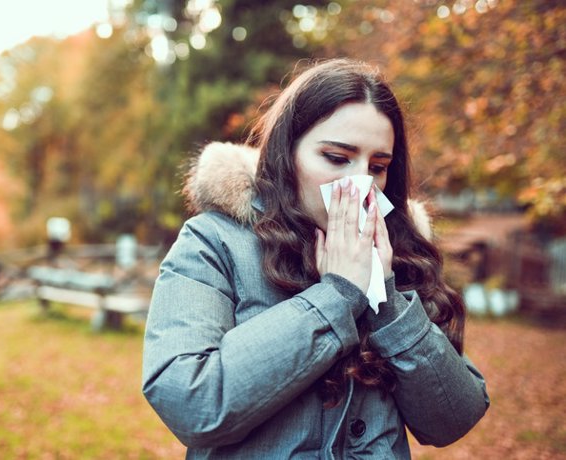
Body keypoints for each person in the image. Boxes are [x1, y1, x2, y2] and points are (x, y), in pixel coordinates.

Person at [142, 58, 489, 459]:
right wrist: (337, 296)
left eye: (377, 167)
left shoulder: (401, 253)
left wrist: (386, 297)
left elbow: (454, 419)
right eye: (337, 158)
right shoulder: (213, 242)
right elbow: (190, 403)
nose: (360, 184)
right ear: (286, 154)